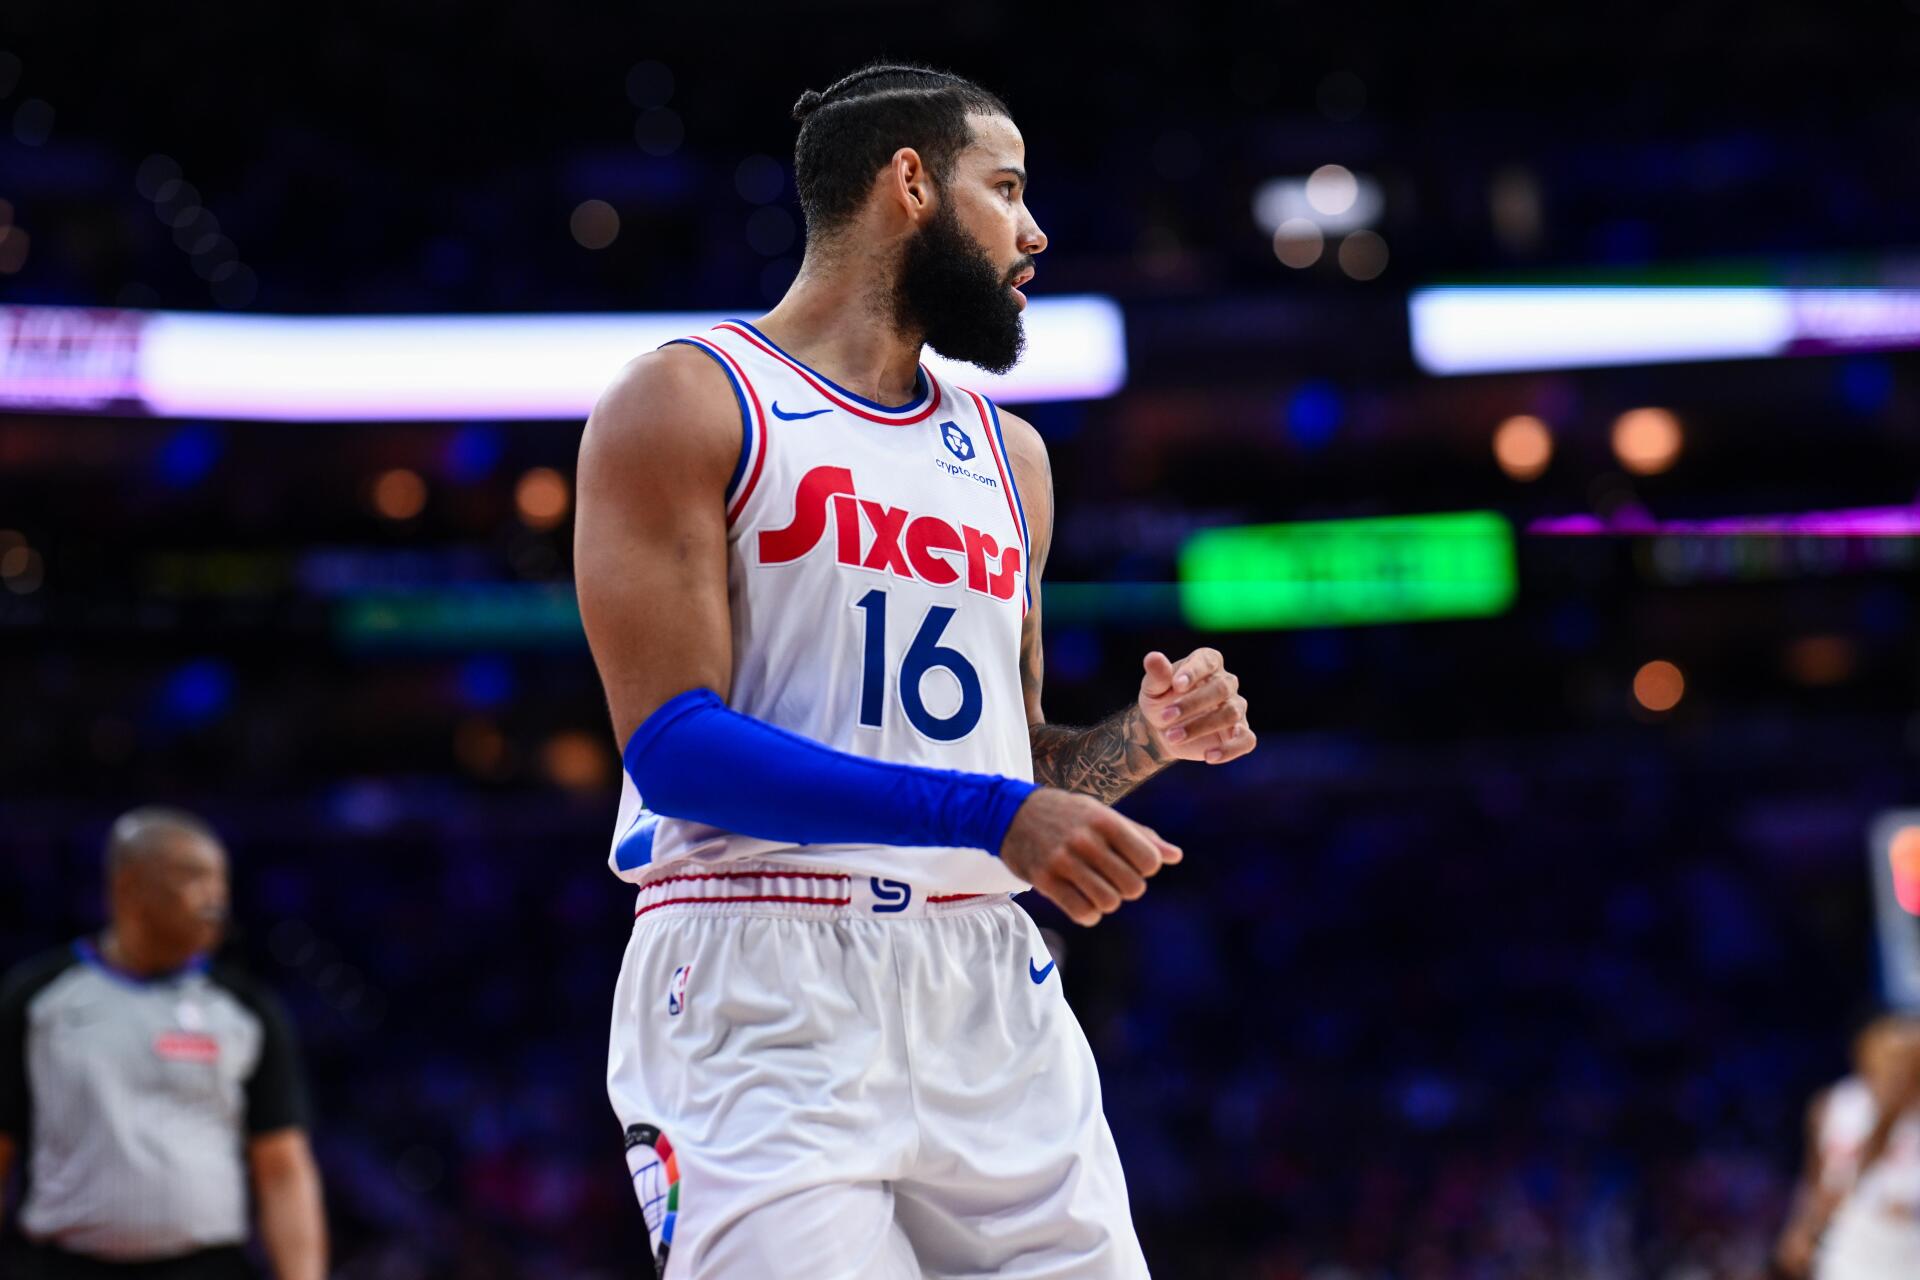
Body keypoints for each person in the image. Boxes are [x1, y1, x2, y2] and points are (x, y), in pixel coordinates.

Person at [576, 61, 1255, 1277]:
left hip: (985, 974)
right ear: (910, 185)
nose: (1035, 231)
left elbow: (1022, 762)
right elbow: (674, 745)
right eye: (1005, 190)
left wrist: (1143, 739)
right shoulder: (690, 397)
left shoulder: (1013, 456)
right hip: (761, 980)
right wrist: (995, 809)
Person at [0, 808, 327, 1280]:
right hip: (63, 1265)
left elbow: (283, 1169)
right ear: (129, 886)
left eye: (221, 881)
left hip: (207, 1267)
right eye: (194, 877)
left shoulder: (245, 1008)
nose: (215, 898)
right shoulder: (36, 999)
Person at [1775, 1013, 1920, 1279]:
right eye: (1886, 1055)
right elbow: (1814, 1179)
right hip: (1849, 1247)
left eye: (1904, 1057)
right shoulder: (1834, 1105)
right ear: (1864, 1055)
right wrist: (1801, 1228)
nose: (1895, 1066)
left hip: (1910, 1252)